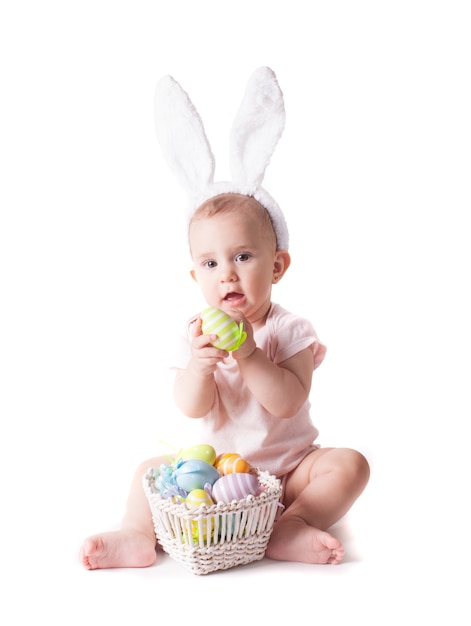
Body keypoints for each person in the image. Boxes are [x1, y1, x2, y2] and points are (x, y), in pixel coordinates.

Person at [80, 192, 370, 570]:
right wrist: (199, 367)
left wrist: (249, 353)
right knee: (147, 470)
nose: (227, 274)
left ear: (277, 266)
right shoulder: (197, 334)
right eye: (210, 263)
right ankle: (137, 535)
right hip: (216, 476)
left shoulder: (290, 330)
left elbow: (287, 402)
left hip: (291, 471)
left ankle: (292, 525)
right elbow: (191, 406)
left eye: (243, 257)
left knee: (351, 463)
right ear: (196, 276)